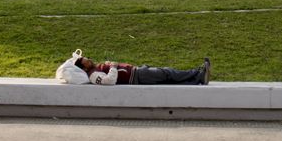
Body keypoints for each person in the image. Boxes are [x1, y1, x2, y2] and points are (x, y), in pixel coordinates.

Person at [74, 54, 210, 86]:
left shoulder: (94, 69)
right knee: (167, 72)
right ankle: (198, 73)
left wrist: (109, 66)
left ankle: (198, 79)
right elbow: (109, 81)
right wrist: (113, 66)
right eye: (85, 60)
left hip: (137, 72)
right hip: (137, 76)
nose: (88, 58)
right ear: (84, 67)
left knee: (168, 77)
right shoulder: (92, 74)